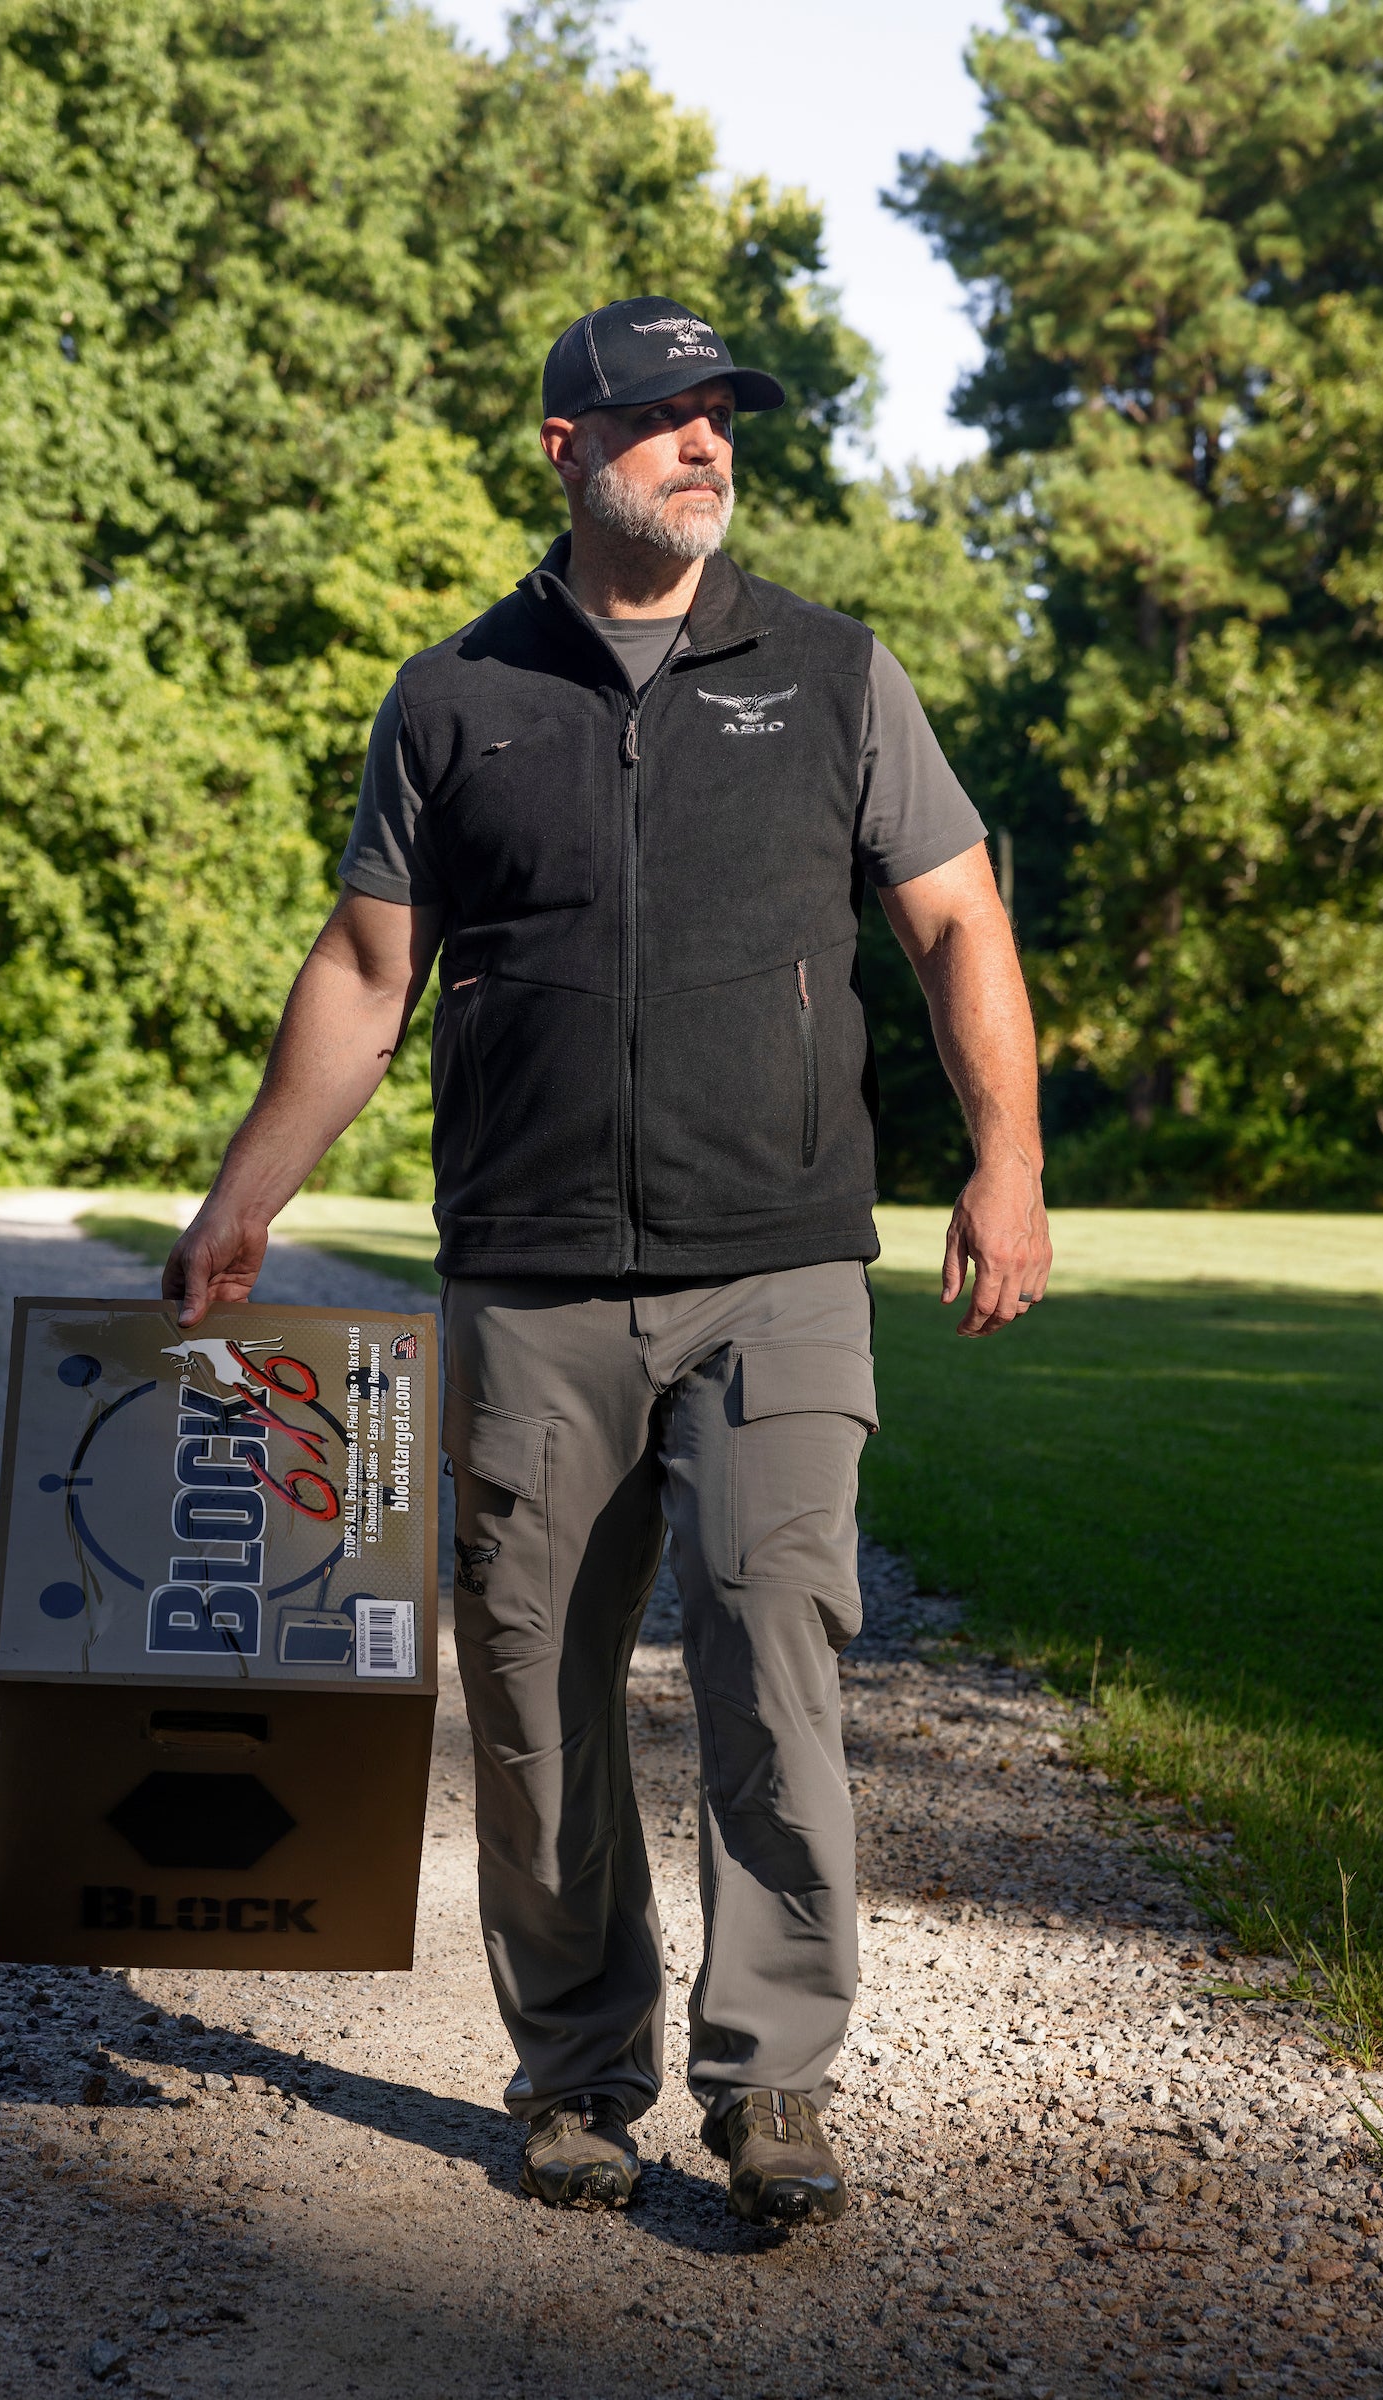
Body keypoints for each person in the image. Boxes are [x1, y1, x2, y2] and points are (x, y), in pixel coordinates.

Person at [164, 296, 1052, 2228]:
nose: (704, 443)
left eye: (721, 413)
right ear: (566, 448)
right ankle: (576, 2074)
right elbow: (368, 973)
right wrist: (246, 1193)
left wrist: (1008, 1160)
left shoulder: (830, 673)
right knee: (532, 1688)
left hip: (776, 1267)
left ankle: (774, 2081)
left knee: (772, 1648)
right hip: (532, 1276)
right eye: (661, 415)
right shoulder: (454, 696)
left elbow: (956, 920)